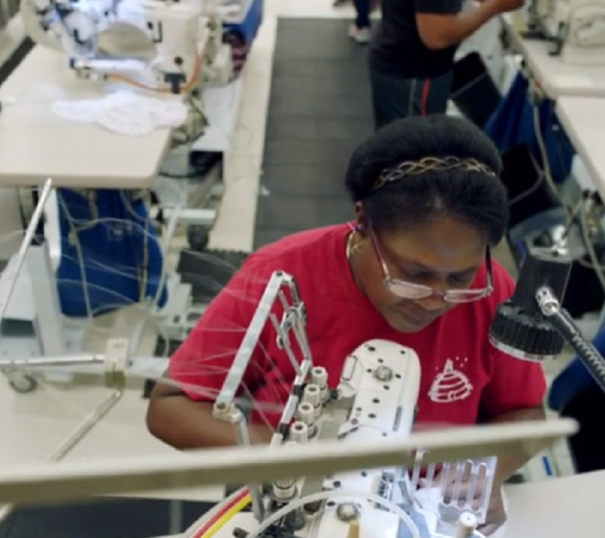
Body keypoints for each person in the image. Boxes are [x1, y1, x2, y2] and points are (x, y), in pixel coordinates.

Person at [147, 115, 546, 534]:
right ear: (362, 221)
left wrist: (484, 474)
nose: (434, 299)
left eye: (459, 279)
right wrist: (295, 458)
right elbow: (170, 406)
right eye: (411, 275)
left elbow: (526, 413)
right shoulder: (281, 276)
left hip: (426, 512)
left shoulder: (492, 291)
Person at [367, 0, 523, 129]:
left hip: (405, 63)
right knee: (413, 154)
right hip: (412, 72)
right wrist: (495, 6)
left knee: (402, 151)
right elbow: (437, 37)